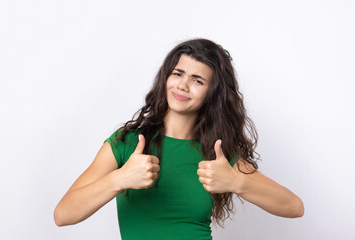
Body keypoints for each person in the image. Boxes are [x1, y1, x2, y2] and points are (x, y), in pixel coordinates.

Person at [53, 38, 304, 239]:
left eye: (197, 80)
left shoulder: (216, 153)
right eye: (178, 74)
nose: (183, 85)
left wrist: (237, 181)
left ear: (212, 93)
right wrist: (120, 178)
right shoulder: (127, 143)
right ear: (166, 78)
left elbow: (294, 207)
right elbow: (63, 214)